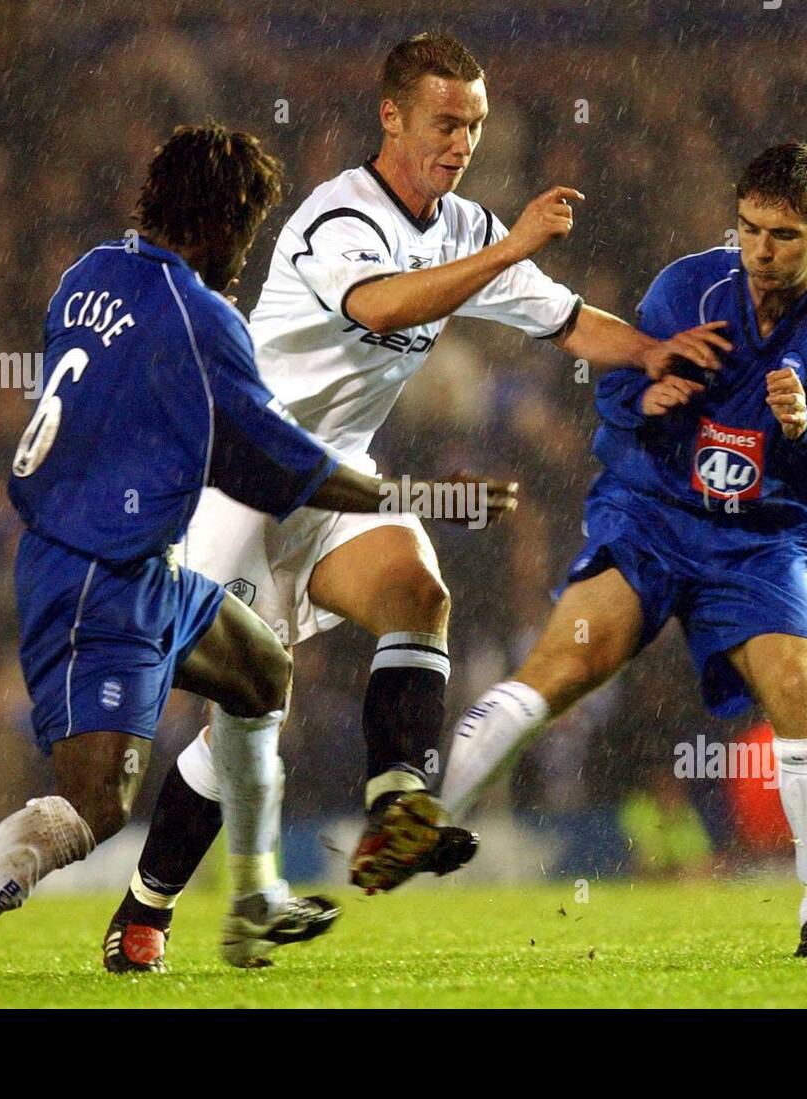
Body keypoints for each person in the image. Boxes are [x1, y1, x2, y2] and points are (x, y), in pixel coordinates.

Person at [103, 32, 730, 970]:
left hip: (329, 478)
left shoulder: (468, 229)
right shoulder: (335, 216)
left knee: (418, 593)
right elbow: (381, 308)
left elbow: (559, 317)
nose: (462, 142)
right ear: (391, 115)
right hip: (231, 482)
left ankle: (397, 803)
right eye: (445, 121)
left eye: (474, 125)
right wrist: (512, 245)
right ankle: (145, 906)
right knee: (243, 723)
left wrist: (649, 352)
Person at [0, 121, 514, 987]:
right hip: (95, 577)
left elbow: (167, 421)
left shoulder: (89, 275)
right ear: (223, 221)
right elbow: (281, 466)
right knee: (97, 804)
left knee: (263, 667)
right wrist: (414, 496)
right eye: (247, 227)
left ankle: (257, 892)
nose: (246, 251)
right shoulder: (203, 318)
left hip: (135, 562)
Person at [439, 142, 807, 960]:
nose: (761, 249)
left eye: (785, 235)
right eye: (750, 228)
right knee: (565, 664)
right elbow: (614, 389)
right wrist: (646, 394)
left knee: (797, 688)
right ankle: (430, 821)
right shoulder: (688, 286)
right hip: (653, 513)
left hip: (761, 539)